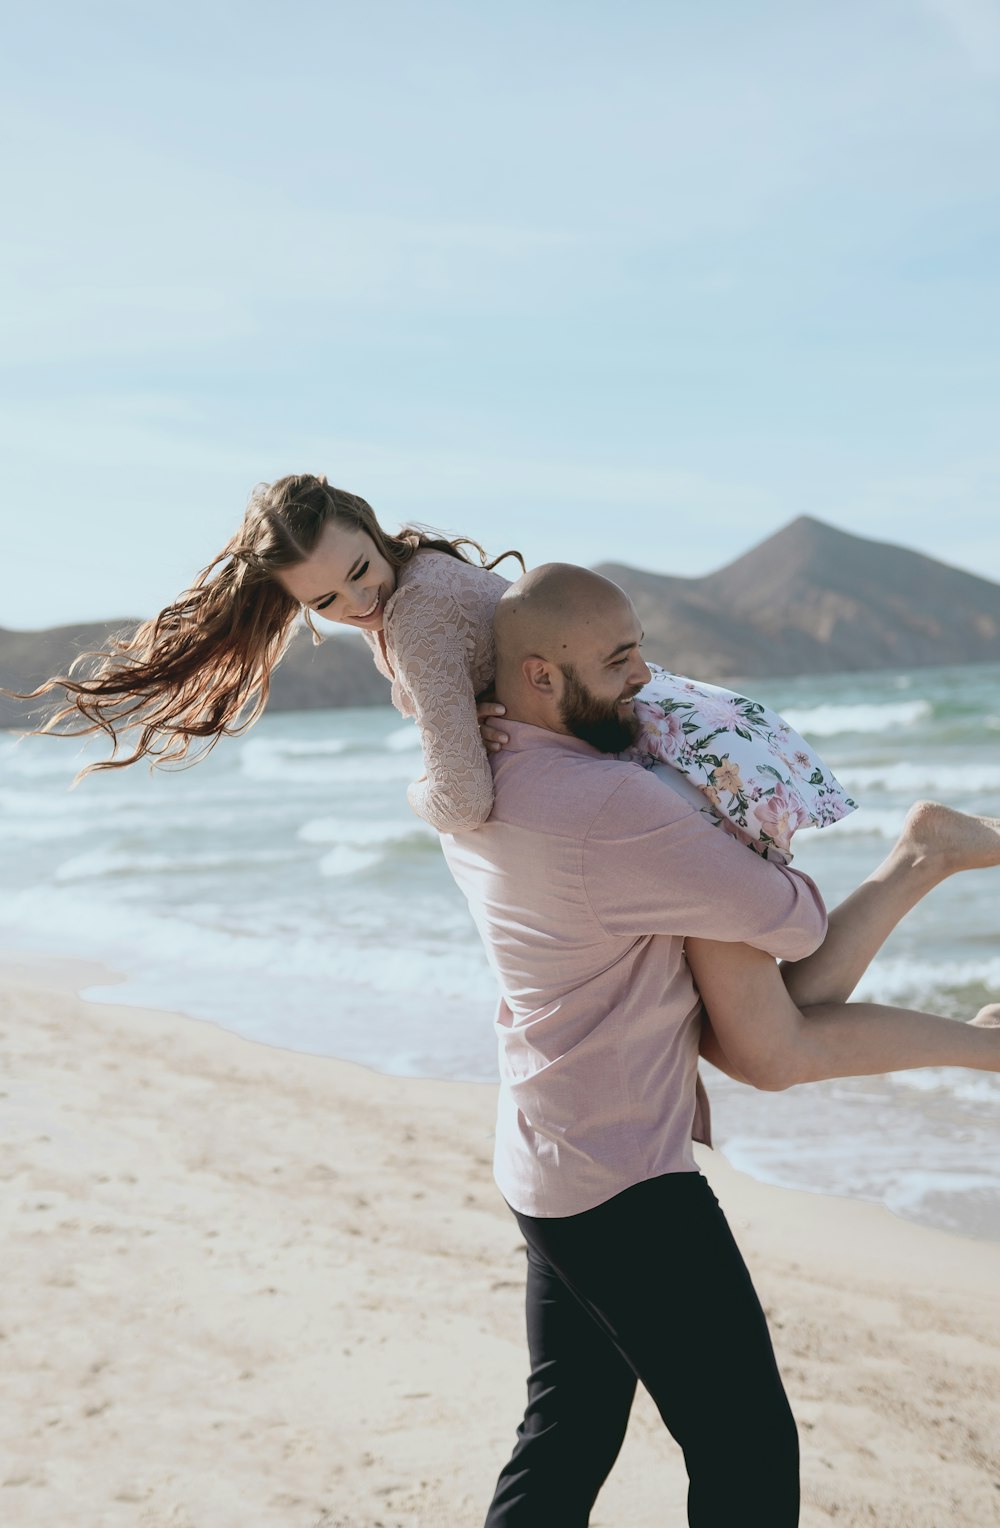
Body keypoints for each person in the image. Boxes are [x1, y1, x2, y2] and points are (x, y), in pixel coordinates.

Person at [22, 473, 1000, 1055]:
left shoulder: (414, 621)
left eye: (358, 569)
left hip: (655, 771)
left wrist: (417, 787)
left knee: (768, 1043)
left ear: (372, 527)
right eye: (324, 600)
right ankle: (931, 881)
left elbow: (462, 793)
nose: (356, 601)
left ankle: (926, 867)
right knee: (764, 1040)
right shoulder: (425, 578)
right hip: (661, 745)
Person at [437, 564, 1000, 1525]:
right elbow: (795, 927)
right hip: (622, 1180)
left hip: (546, 1152)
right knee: (746, 1448)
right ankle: (927, 871)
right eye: (619, 661)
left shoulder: (477, 769)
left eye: (641, 647)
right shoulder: (610, 804)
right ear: (538, 676)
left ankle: (931, 878)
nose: (646, 676)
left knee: (567, 1431)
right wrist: (721, 831)